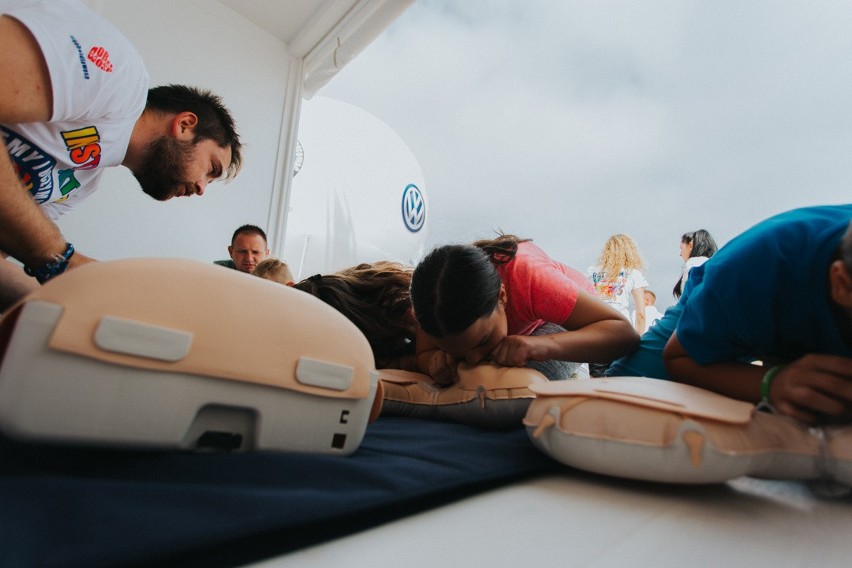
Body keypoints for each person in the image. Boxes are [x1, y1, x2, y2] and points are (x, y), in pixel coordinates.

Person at [0, 0, 243, 312]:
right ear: (185, 125)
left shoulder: (80, 182)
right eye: (211, 168)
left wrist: (70, 305)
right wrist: (59, 258)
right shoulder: (120, 78)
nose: (200, 189)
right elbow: (46, 252)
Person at [609, 205, 852, 426]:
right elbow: (680, 358)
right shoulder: (755, 271)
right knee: (614, 399)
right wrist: (772, 383)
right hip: (714, 307)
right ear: (842, 284)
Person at [410, 235, 640, 385]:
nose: (473, 358)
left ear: (502, 297)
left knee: (513, 383)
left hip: (570, 321)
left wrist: (542, 346)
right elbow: (423, 353)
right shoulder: (433, 303)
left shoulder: (529, 275)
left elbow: (624, 335)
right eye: (459, 351)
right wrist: (433, 360)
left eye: (482, 341)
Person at [587, 234, 649, 335]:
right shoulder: (633, 273)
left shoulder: (592, 272)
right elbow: (640, 314)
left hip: (595, 326)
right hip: (621, 327)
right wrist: (639, 338)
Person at [673, 229, 717, 299]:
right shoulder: (711, 264)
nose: (680, 254)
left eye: (681, 248)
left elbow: (692, 298)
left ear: (690, 245)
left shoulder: (694, 264)